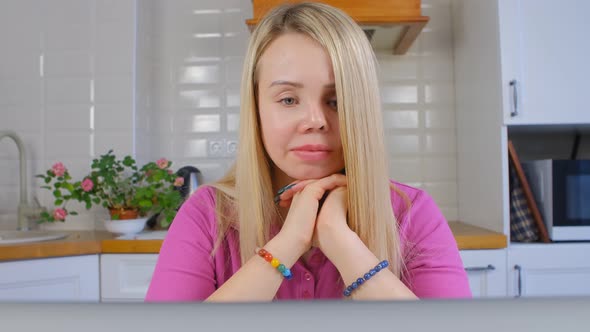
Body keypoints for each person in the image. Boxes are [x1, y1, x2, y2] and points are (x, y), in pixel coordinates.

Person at [145, 2, 471, 302]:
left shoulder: (411, 213)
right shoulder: (206, 216)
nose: (315, 121)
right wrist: (290, 242)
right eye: (288, 100)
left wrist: (340, 241)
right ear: (256, 109)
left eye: (337, 100)